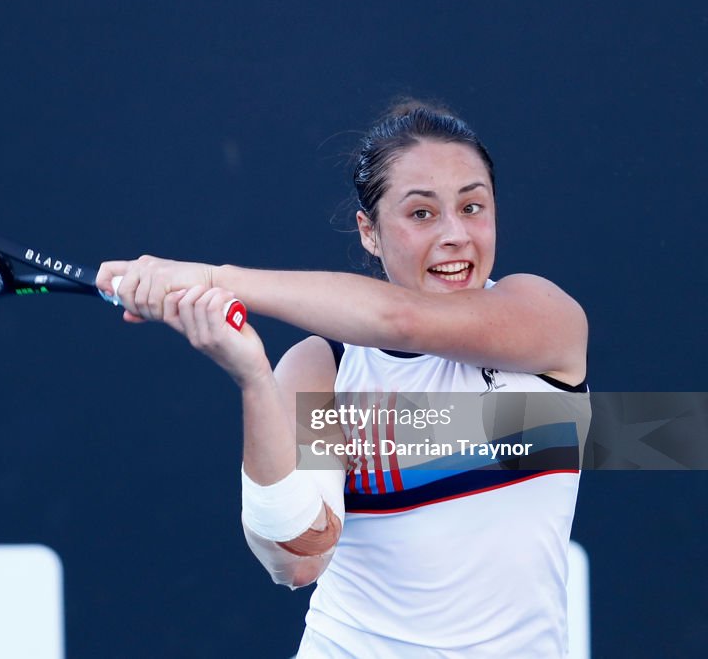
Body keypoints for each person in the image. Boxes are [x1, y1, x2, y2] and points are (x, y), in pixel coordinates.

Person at [96, 100, 589, 658]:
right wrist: (254, 377)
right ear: (369, 232)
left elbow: (400, 320)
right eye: (421, 213)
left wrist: (213, 278)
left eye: (473, 207)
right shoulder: (321, 368)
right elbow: (298, 558)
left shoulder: (544, 318)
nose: (455, 234)